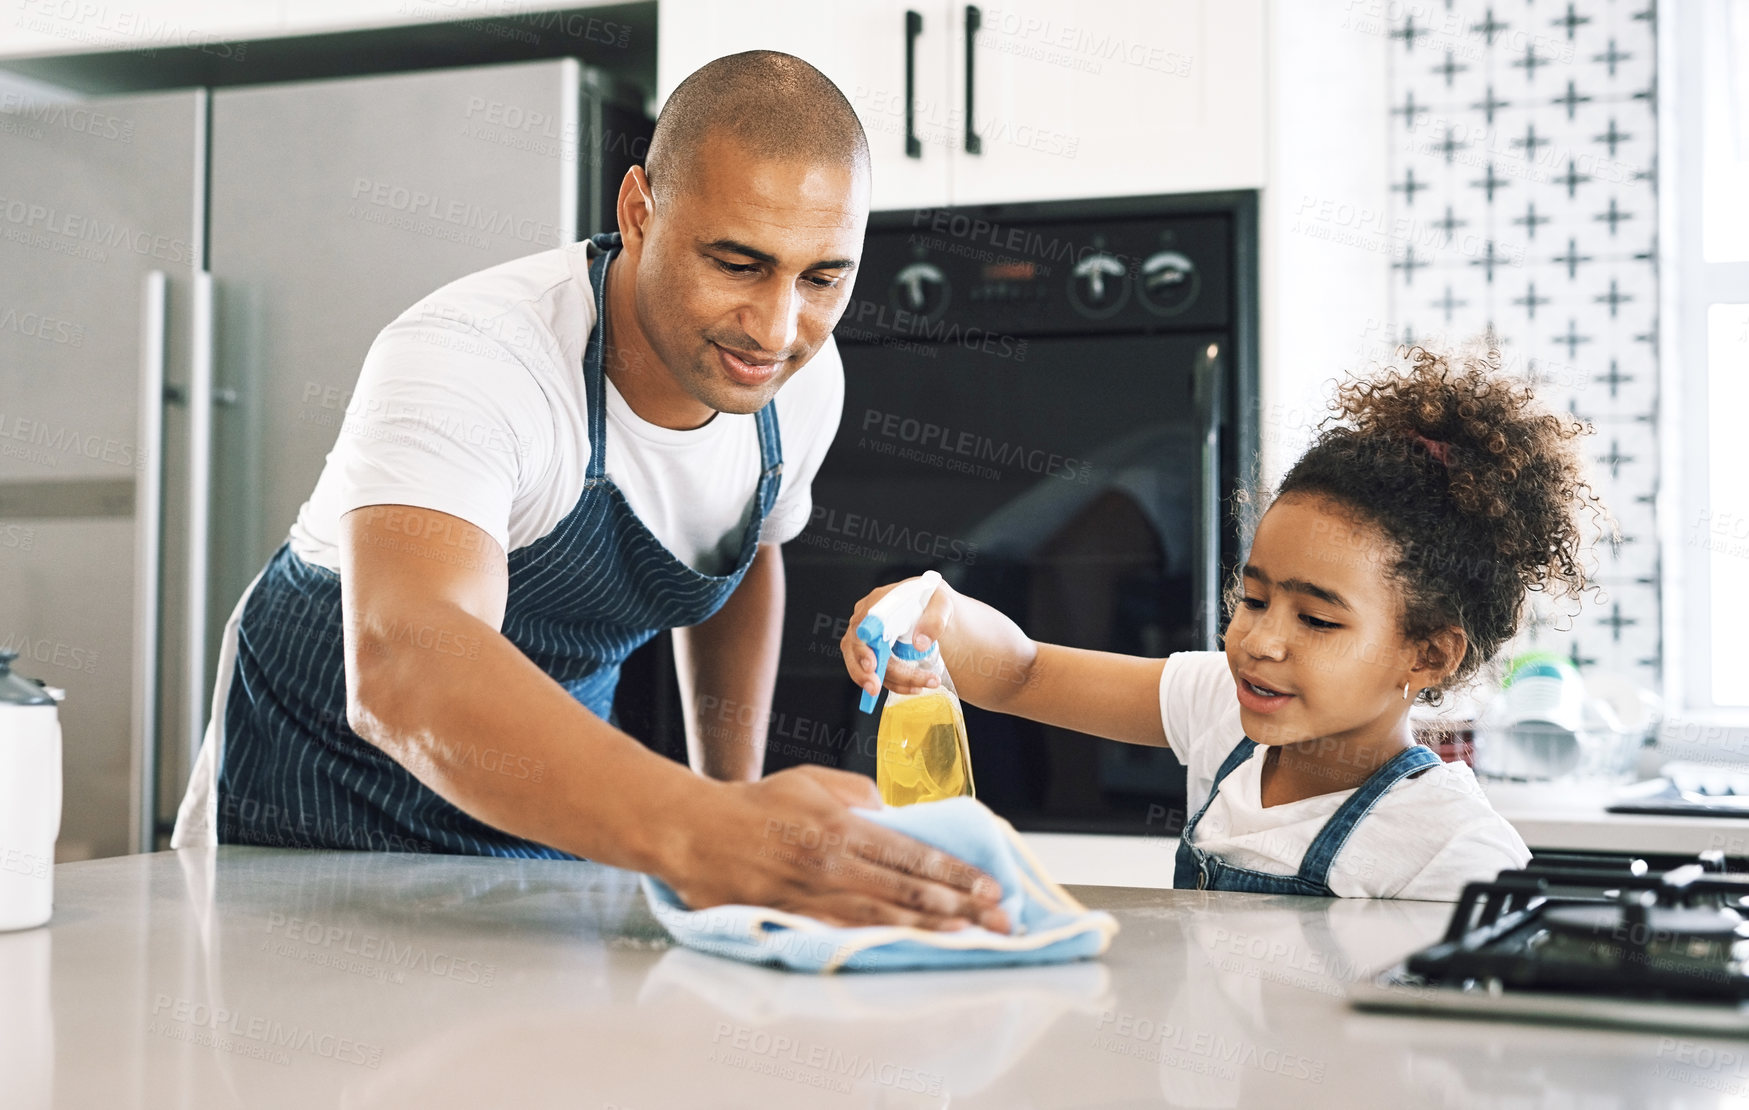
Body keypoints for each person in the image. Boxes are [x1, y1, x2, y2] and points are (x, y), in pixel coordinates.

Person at [172, 50, 1009, 934]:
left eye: (823, 277)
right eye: (736, 263)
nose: (776, 327)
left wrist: (737, 806)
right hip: (311, 838)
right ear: (639, 210)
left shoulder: (802, 378)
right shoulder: (474, 355)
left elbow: (745, 548)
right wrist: (703, 828)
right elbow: (405, 664)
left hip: (556, 820)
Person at [842, 344, 1609, 901]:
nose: (1259, 640)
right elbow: (1022, 672)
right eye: (1252, 598)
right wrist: (935, 610)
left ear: (1430, 654)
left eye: (1315, 618)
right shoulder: (1223, 708)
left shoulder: (1451, 850)